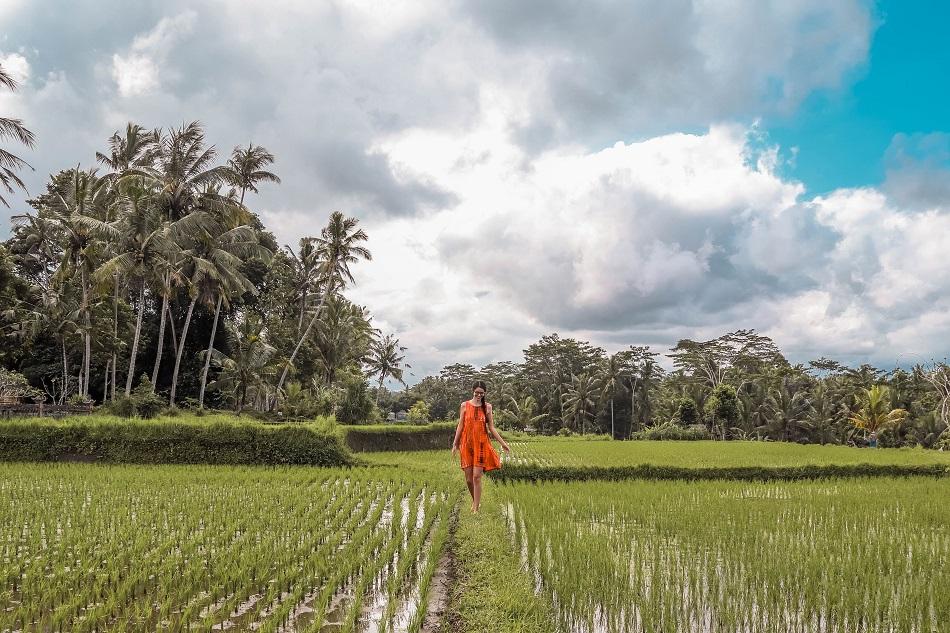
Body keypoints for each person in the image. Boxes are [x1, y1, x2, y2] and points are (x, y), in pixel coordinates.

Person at [451, 380, 511, 513]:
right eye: (477, 393)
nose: (479, 395)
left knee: (476, 476)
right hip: (466, 444)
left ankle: (476, 508)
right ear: (472, 391)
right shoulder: (464, 405)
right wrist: (455, 443)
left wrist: (503, 443)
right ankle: (475, 501)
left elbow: (491, 428)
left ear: (485, 393)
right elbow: (460, 425)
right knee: (468, 479)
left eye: (481, 393)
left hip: (481, 444)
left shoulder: (488, 407)